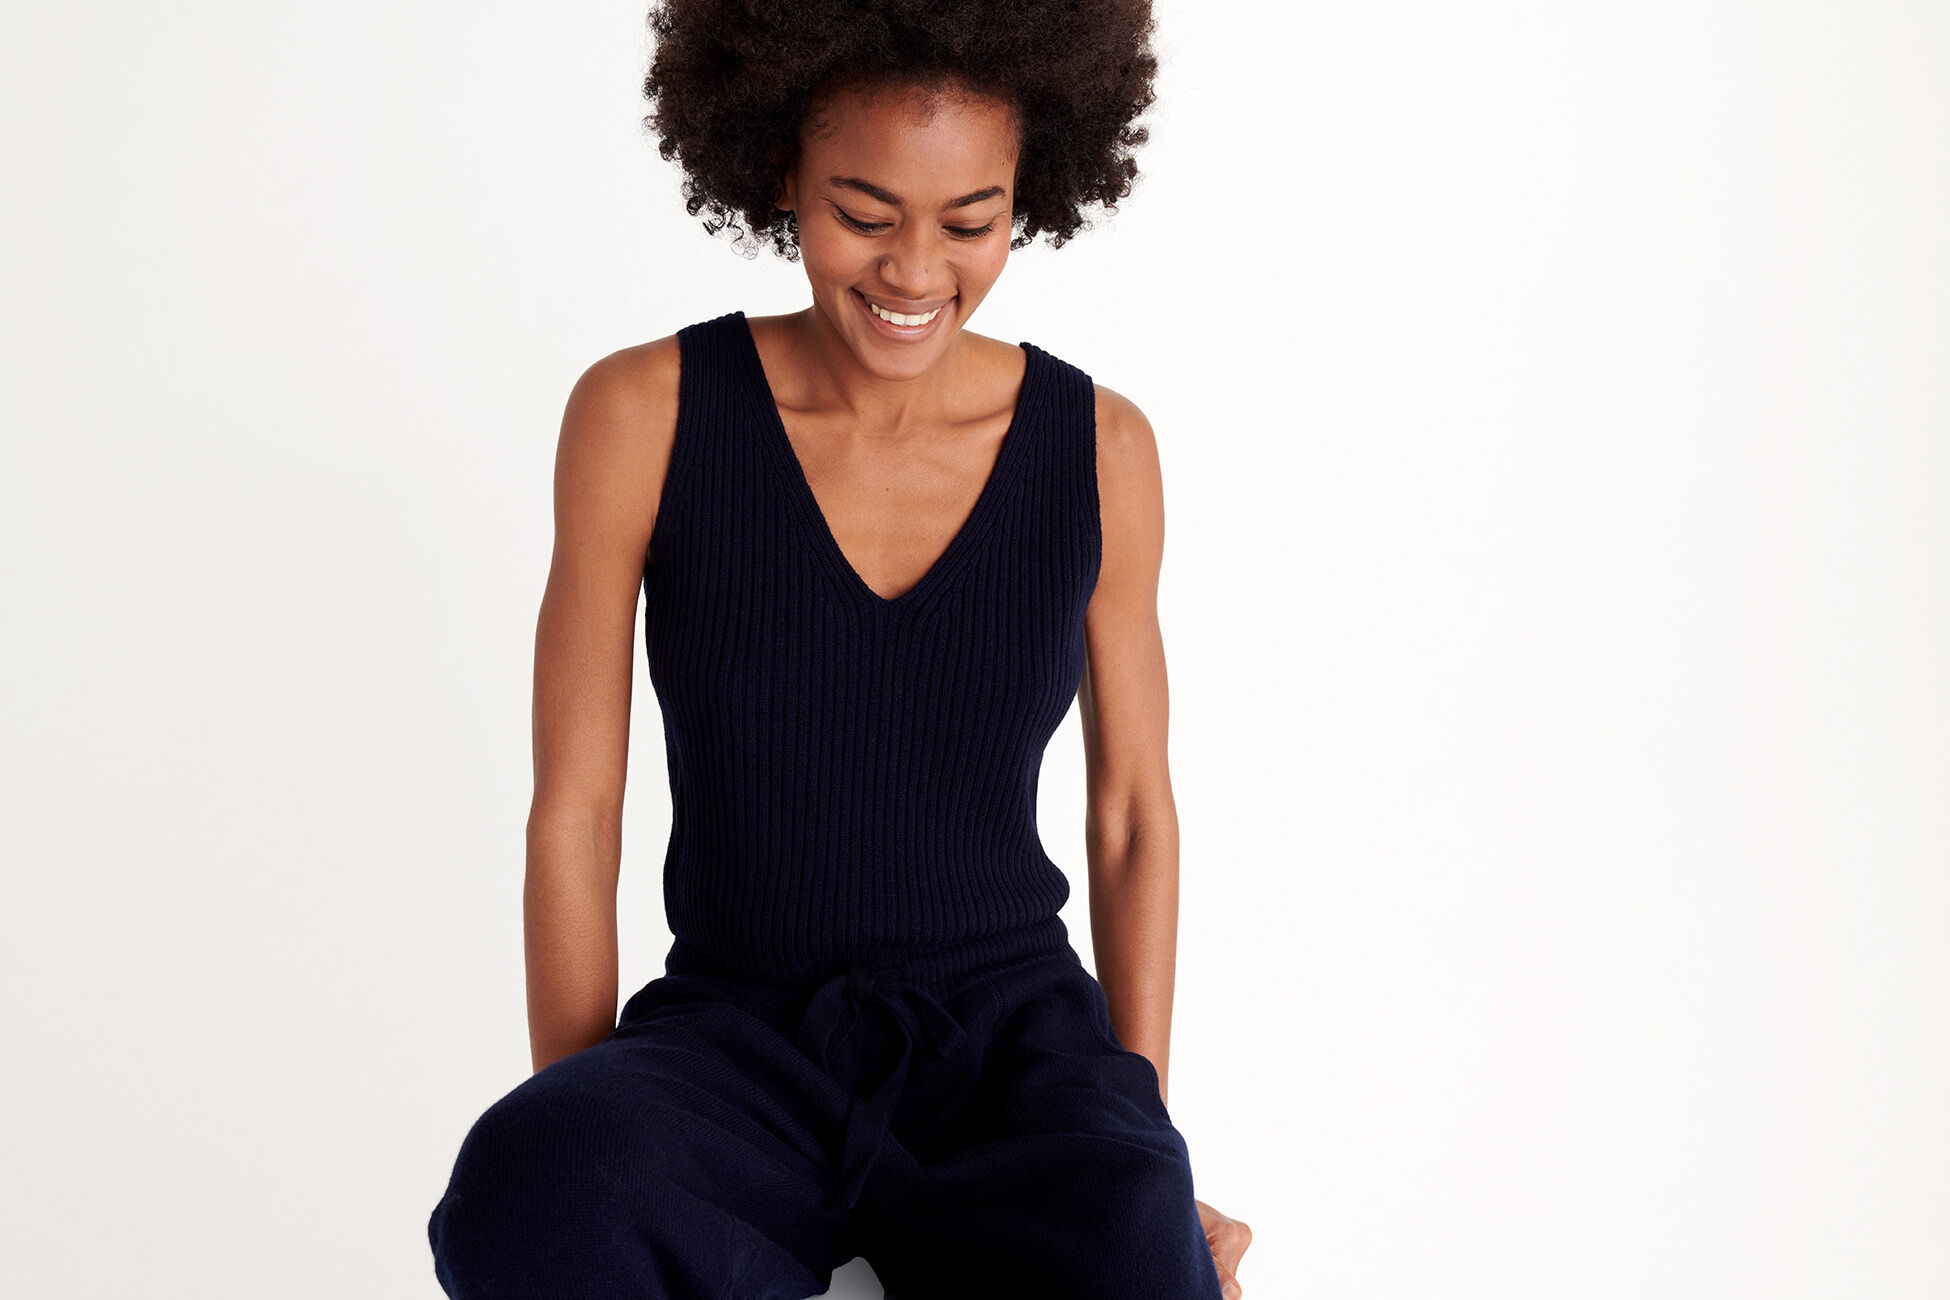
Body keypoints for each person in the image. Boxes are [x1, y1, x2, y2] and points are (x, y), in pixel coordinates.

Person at [426, 1, 1253, 1295]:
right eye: (865, 214)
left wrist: (1141, 1139)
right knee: (530, 1184)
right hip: (737, 1040)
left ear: (1028, 194)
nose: (915, 271)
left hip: (1014, 1053)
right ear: (780, 174)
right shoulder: (643, 414)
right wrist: (591, 1118)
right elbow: (575, 813)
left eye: (969, 224)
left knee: (1143, 1253)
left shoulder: (1100, 448)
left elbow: (1133, 814)